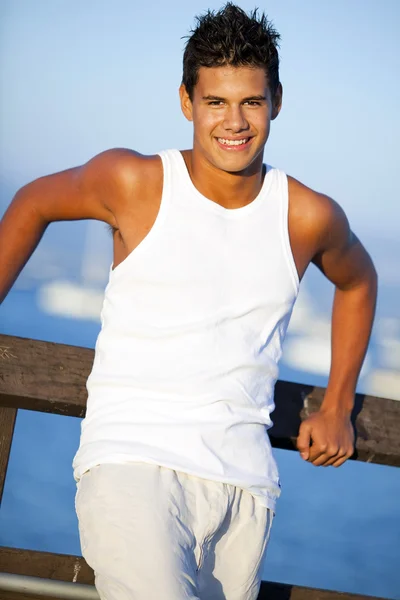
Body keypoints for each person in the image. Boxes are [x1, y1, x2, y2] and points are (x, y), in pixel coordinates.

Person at [0, 3, 377, 599]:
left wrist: (336, 403)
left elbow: (358, 281)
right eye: (216, 102)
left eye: (251, 101)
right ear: (186, 102)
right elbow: (32, 203)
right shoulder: (134, 182)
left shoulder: (306, 215)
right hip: (131, 464)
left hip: (244, 486)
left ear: (277, 100)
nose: (235, 121)